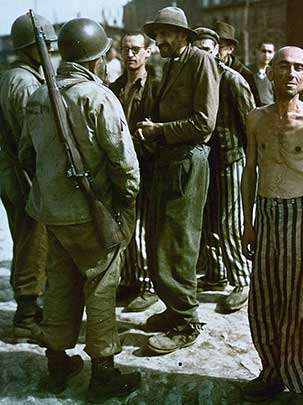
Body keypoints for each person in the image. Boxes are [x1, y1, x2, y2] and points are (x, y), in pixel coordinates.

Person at [19, 18, 141, 402]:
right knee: (102, 284)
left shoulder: (39, 95)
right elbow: (124, 162)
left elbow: (26, 154)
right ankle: (103, 371)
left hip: (52, 212)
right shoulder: (98, 96)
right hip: (93, 212)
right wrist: (126, 201)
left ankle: (57, 359)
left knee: (61, 281)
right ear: (98, 59)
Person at [241, 46, 303, 404]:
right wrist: (248, 222)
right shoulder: (256, 118)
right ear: (270, 72)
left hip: (302, 215)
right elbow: (250, 169)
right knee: (264, 300)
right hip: (266, 215)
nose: (290, 73)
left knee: (302, 301)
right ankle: (271, 372)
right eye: (283, 66)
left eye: (299, 68)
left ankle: (300, 381)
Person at [138, 6, 220, 354]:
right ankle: (174, 309)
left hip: (188, 161)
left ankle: (187, 320)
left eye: (166, 34)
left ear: (185, 36)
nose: (159, 40)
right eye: (157, 35)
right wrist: (150, 131)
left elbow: (205, 123)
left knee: (180, 241)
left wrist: (160, 131)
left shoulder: (201, 61)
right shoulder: (170, 64)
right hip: (168, 160)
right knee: (161, 237)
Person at [0, 13, 56, 341]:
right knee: (33, 239)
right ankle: (26, 317)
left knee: (25, 236)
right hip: (22, 172)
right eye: (45, 44)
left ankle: (29, 308)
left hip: (10, 171)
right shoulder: (24, 83)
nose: (50, 48)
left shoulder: (11, 75)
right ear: (31, 47)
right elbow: (29, 140)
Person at [193, 27, 255, 312]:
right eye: (198, 48)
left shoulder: (232, 81)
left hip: (232, 160)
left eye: (208, 48)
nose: (203, 54)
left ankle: (241, 280)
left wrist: (253, 165)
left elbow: (251, 127)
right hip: (206, 160)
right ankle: (217, 274)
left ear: (217, 50)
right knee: (208, 220)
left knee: (230, 223)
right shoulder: (193, 79)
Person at [110, 30, 160, 312]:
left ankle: (147, 285)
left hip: (147, 165)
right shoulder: (116, 87)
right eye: (126, 49)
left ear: (147, 52)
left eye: (136, 49)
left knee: (142, 227)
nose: (130, 54)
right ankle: (129, 280)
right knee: (125, 225)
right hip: (121, 165)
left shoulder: (156, 85)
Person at [214, 21, 260, 106]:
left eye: (220, 47)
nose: (215, 51)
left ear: (231, 49)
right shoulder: (205, 69)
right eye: (213, 46)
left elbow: (255, 107)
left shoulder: (244, 74)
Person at [249, 41, 275, 106]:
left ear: (274, 54)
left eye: (269, 52)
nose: (266, 55)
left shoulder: (275, 73)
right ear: (257, 52)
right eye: (263, 51)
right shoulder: (247, 72)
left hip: (270, 111)